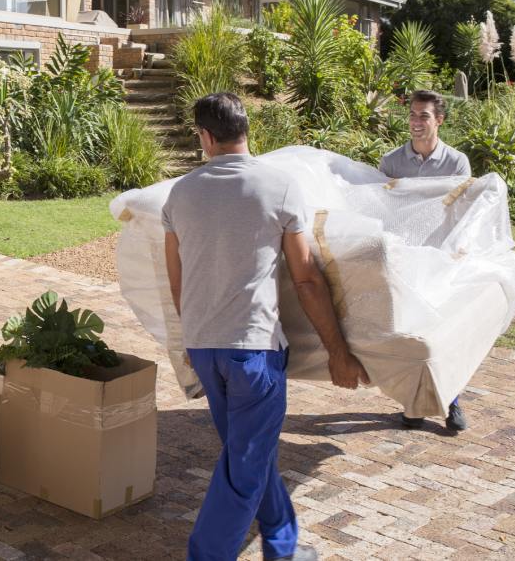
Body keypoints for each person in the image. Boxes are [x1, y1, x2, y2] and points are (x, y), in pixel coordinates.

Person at [163, 93, 369, 561]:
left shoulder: (180, 192)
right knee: (245, 467)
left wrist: (192, 340)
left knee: (249, 453)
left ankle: (283, 544)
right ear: (245, 132)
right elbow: (307, 279)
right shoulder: (278, 185)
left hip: (204, 347)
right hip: (253, 351)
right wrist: (337, 349)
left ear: (206, 137)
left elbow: (177, 283)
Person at [378, 90, 471, 432]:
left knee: (443, 331)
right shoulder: (391, 162)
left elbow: (460, 213)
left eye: (424, 116)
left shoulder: (456, 163)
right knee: (411, 333)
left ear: (439, 120)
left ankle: (452, 402)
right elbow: (384, 210)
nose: (416, 123)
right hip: (404, 259)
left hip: (440, 259)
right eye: (413, 115)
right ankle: (414, 405)